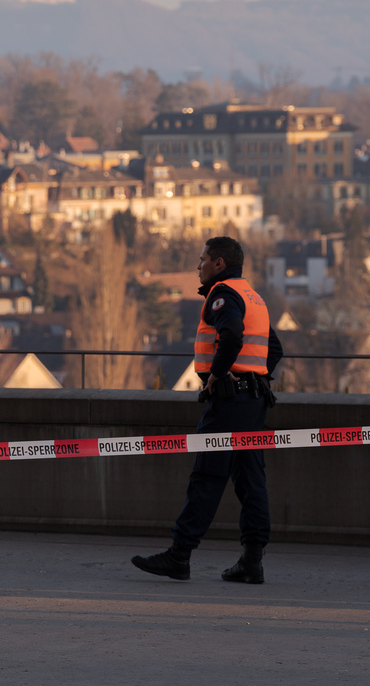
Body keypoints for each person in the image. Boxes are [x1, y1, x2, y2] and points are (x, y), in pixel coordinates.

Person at [132, 236, 283, 584]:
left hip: (230, 403)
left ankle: (179, 555)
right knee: (250, 479)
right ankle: (252, 559)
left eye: (202, 260)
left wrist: (218, 375)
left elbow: (230, 335)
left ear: (218, 264)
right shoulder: (253, 297)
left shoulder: (223, 294)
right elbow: (273, 348)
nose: (197, 266)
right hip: (254, 402)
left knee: (208, 475)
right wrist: (256, 377)